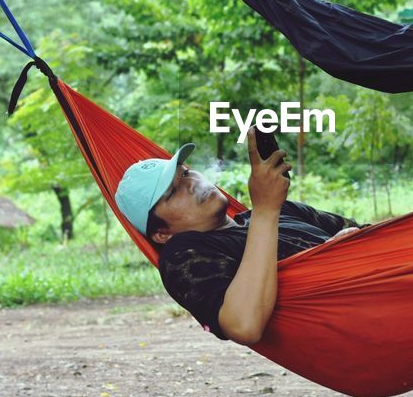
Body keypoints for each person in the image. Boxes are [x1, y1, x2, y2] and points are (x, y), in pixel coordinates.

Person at [114, 130, 361, 344]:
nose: (191, 184)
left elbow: (380, 237)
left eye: (186, 173)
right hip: (358, 326)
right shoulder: (182, 253)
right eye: (172, 193)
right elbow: (244, 325)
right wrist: (265, 208)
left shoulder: (284, 210)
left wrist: (347, 244)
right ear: (161, 233)